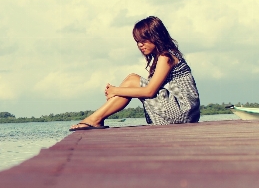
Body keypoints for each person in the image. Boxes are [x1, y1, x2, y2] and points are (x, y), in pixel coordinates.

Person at [69, 16, 200, 131]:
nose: (140, 45)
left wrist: (116, 91)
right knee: (131, 81)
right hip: (185, 113)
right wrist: (118, 91)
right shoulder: (165, 56)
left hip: (182, 111)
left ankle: (95, 119)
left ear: (156, 37)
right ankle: (96, 118)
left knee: (132, 80)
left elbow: (149, 91)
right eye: (137, 41)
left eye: (144, 40)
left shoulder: (166, 57)